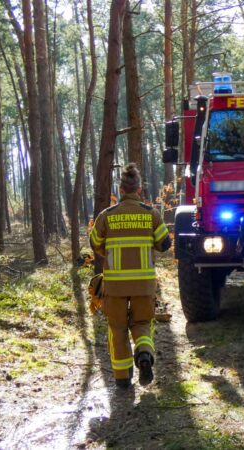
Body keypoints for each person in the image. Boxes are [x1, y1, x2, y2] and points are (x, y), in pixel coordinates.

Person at [89, 163, 172, 388]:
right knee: (143, 322)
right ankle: (144, 353)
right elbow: (165, 244)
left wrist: (107, 253)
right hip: (144, 285)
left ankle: (122, 378)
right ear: (139, 190)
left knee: (117, 328)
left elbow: (94, 243)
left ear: (121, 190)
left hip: (114, 287)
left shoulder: (106, 216)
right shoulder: (151, 214)